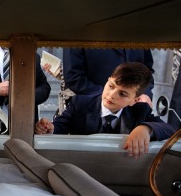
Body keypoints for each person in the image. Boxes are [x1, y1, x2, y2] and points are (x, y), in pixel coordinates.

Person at [35, 62, 175, 158]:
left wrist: (146, 129)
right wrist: (49, 128)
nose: (111, 95)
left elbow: (170, 129)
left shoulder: (140, 111)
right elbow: (60, 127)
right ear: (107, 80)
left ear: (135, 100)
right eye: (111, 86)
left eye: (122, 94)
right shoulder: (81, 103)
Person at [63, 48, 154, 105]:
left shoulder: (140, 30)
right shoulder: (76, 31)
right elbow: (73, 78)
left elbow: (147, 71)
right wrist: (111, 97)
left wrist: (145, 93)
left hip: (135, 110)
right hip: (92, 112)